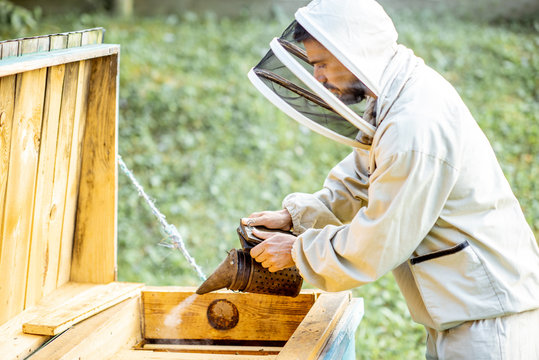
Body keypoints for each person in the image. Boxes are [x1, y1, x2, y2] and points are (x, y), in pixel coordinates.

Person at [242, 0, 539, 358]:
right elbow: (363, 176)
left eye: (321, 64)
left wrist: (296, 250)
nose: (317, 77)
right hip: (467, 309)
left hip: (491, 324)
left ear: (354, 53)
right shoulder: (394, 92)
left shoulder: (414, 125)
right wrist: (297, 216)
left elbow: (378, 240)